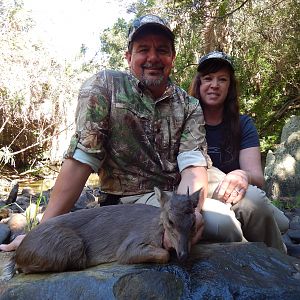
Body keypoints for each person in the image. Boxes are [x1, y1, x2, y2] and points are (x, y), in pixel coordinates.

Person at [0, 14, 211, 251]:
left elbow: (193, 168)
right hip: (125, 206)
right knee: (219, 227)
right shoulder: (104, 87)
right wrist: (41, 234)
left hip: (174, 199)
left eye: (162, 50)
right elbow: (82, 160)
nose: (153, 57)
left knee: (227, 219)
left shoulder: (189, 105)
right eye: (143, 49)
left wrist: (188, 212)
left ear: (172, 57)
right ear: (129, 56)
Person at [188, 51, 289, 252]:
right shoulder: (186, 121)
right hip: (206, 193)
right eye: (208, 78)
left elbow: (257, 177)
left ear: (230, 86)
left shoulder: (243, 124)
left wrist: (242, 174)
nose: (214, 85)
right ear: (199, 84)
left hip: (239, 192)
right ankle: (279, 258)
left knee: (283, 223)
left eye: (222, 79)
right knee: (255, 209)